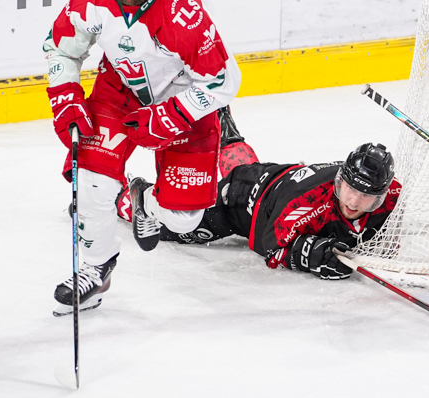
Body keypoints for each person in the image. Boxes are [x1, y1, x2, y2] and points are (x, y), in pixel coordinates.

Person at [46, 0, 241, 315]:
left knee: (184, 219)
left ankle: (144, 203)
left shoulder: (182, 11)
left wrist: (173, 113)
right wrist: (65, 94)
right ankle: (96, 269)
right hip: (119, 90)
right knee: (92, 182)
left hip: (184, 96)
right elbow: (60, 48)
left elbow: (224, 80)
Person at [145, 108, 401, 281]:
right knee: (172, 222)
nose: (353, 201)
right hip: (241, 202)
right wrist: (305, 256)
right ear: (340, 180)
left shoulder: (393, 196)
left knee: (246, 170)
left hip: (274, 178)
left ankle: (227, 131)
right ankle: (125, 195)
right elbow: (267, 246)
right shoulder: (305, 203)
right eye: (350, 189)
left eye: (365, 195)